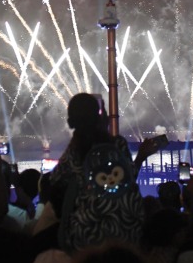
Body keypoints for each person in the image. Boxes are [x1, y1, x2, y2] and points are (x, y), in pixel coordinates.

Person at [53, 93, 145, 252]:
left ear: (71, 121)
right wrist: (142, 156)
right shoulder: (118, 144)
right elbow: (127, 178)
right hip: (127, 230)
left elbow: (55, 180)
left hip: (88, 232)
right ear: (99, 116)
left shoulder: (74, 152)